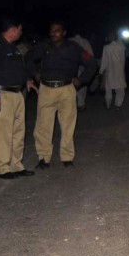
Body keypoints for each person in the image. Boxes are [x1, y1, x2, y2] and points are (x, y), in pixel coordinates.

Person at [30, 20, 98, 169]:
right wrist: (34, 73)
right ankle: (43, 158)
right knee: (43, 126)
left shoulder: (74, 48)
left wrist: (81, 80)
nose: (54, 33)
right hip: (46, 90)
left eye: (57, 30)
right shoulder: (43, 46)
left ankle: (67, 157)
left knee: (68, 125)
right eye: (52, 30)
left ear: (64, 33)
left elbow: (92, 63)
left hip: (66, 89)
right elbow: (28, 59)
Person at [0, 17, 37, 179]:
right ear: (12, 30)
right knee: (3, 133)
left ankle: (15, 165)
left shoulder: (13, 48)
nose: (21, 32)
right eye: (19, 29)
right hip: (1, 94)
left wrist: (27, 80)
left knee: (18, 132)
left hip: (16, 94)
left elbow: (19, 69)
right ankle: (1, 168)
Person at [70, 30, 95, 111]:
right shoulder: (85, 41)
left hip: (71, 66)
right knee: (82, 85)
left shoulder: (69, 41)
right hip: (83, 66)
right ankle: (81, 104)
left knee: (71, 84)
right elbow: (91, 55)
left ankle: (74, 103)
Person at [100, 33, 127, 109]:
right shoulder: (122, 47)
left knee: (108, 89)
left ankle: (108, 104)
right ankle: (118, 105)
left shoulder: (106, 47)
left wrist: (101, 71)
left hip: (110, 71)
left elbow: (104, 61)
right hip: (119, 70)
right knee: (120, 89)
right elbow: (123, 59)